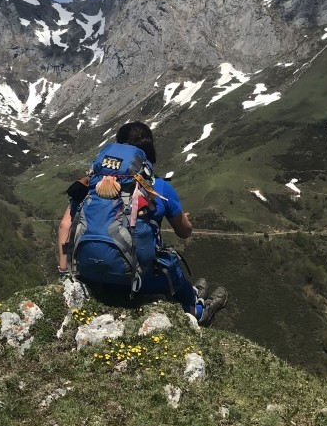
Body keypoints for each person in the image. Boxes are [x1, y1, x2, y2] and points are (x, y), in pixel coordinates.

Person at [57, 121, 227, 326]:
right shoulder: (158, 186)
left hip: (90, 274)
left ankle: (193, 293)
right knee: (173, 271)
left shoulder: (90, 183)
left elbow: (65, 226)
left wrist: (64, 272)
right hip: (135, 279)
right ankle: (199, 310)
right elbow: (184, 232)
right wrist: (184, 219)